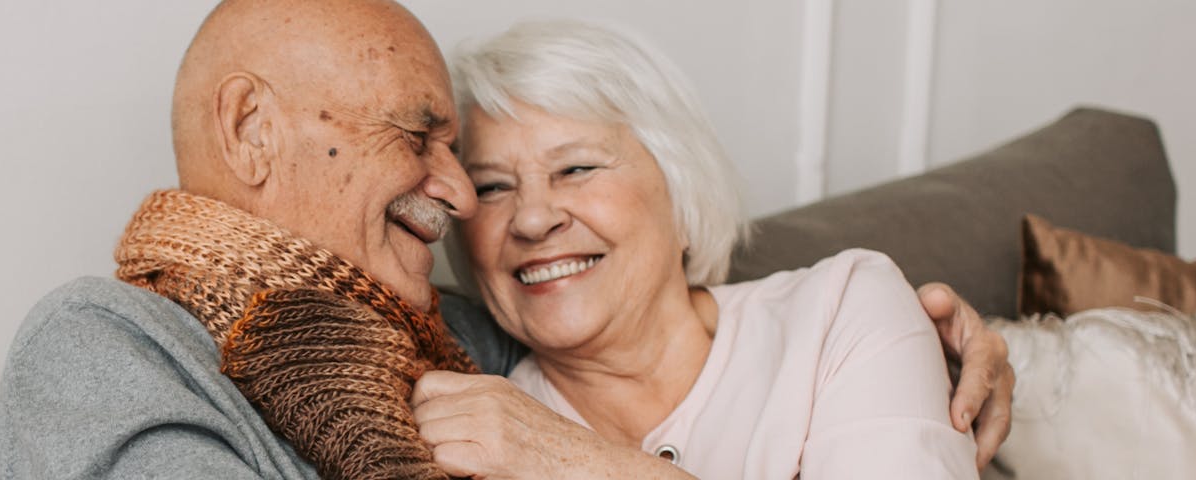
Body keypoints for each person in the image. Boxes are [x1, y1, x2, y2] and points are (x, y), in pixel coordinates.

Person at [0, 1, 1012, 478]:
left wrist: (970, 346)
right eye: (444, 154)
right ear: (253, 129)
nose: (471, 204)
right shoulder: (106, 344)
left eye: (576, 167)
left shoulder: (464, 353)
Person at [409, 20, 987, 478]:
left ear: (681, 189)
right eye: (491, 187)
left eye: (577, 167)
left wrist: (580, 466)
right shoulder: (470, 424)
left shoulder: (841, 312)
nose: (532, 218)